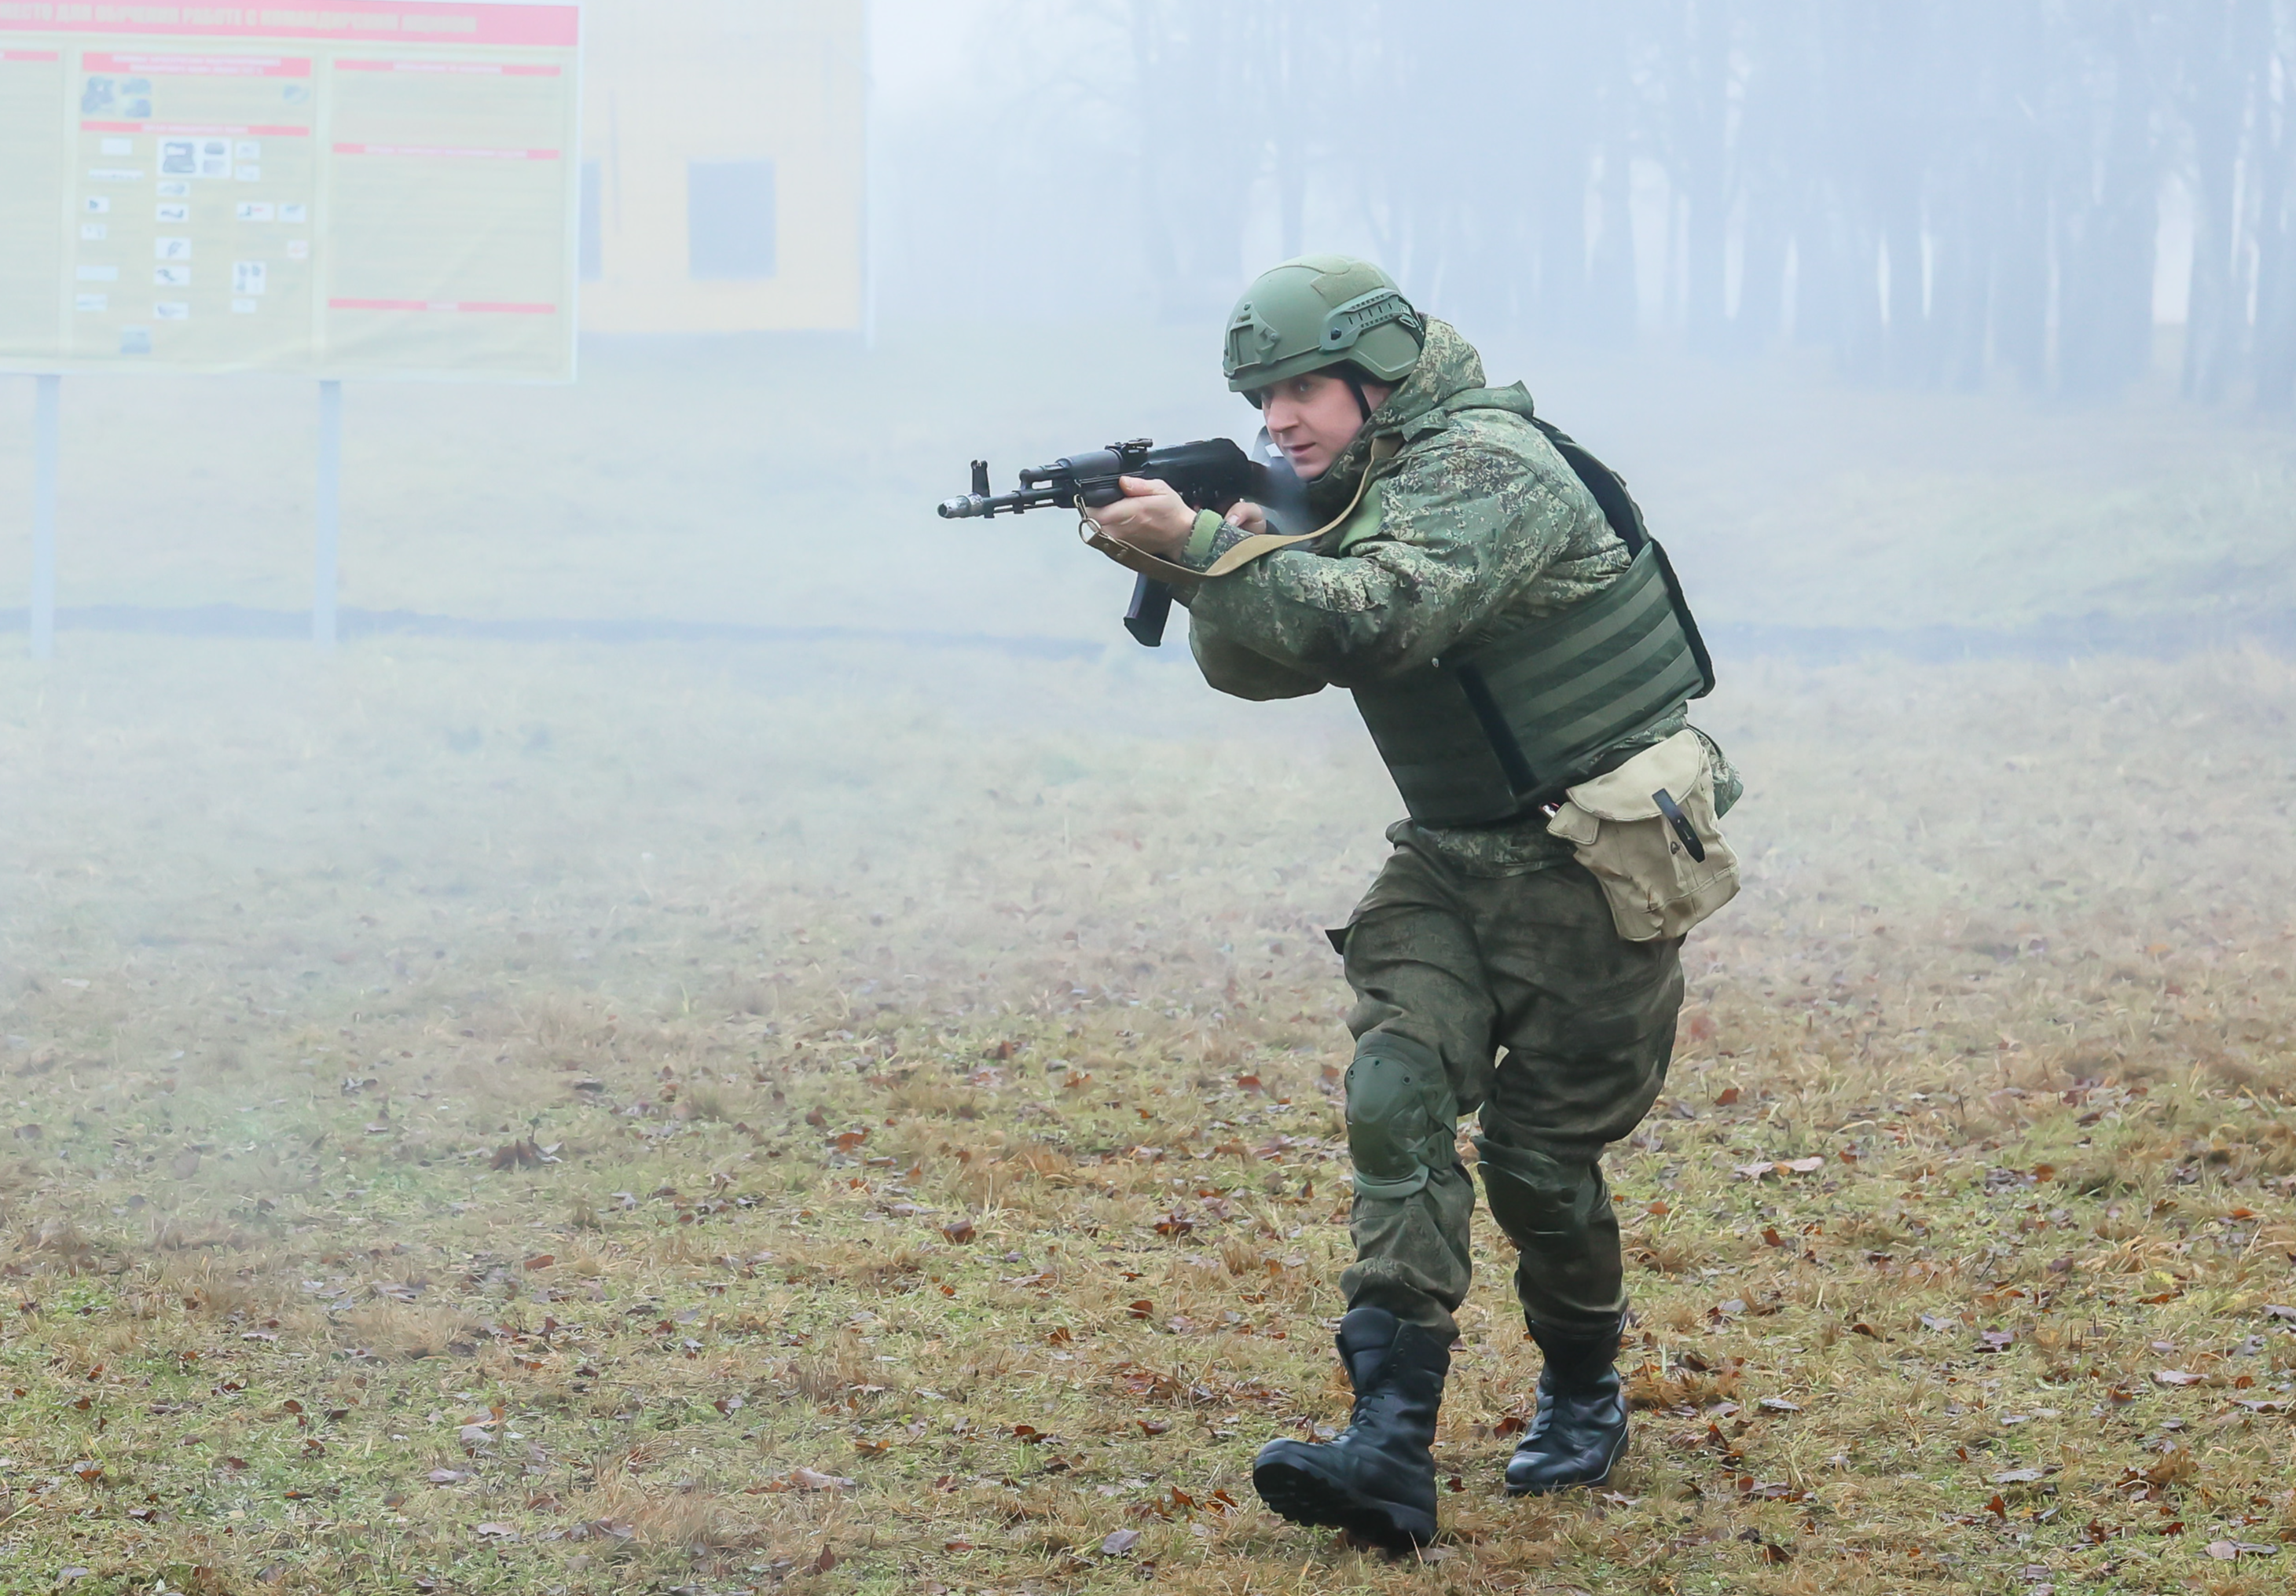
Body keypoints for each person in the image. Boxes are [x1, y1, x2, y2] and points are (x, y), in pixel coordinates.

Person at [1080, 255, 1742, 1554]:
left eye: (1299, 391)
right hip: (1446, 858)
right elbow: (1263, 673)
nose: (1279, 421)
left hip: (1590, 862)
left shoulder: (1489, 465)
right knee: (1392, 1093)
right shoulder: (1346, 483)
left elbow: (1376, 623)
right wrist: (1222, 550)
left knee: (1541, 1171)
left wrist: (1210, 543)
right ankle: (1386, 1443)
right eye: (1259, 399)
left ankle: (1581, 1387)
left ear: (1380, 375)